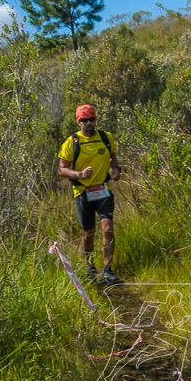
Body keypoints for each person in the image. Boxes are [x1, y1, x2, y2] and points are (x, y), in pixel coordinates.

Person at [57, 104, 122, 284]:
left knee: (108, 229)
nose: (89, 123)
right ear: (78, 122)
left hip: (103, 190)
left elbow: (113, 158)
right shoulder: (72, 142)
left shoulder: (105, 137)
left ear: (96, 119)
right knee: (88, 233)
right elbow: (62, 169)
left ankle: (108, 270)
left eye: (91, 119)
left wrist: (115, 169)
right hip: (83, 192)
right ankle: (90, 267)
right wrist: (79, 174)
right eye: (84, 120)